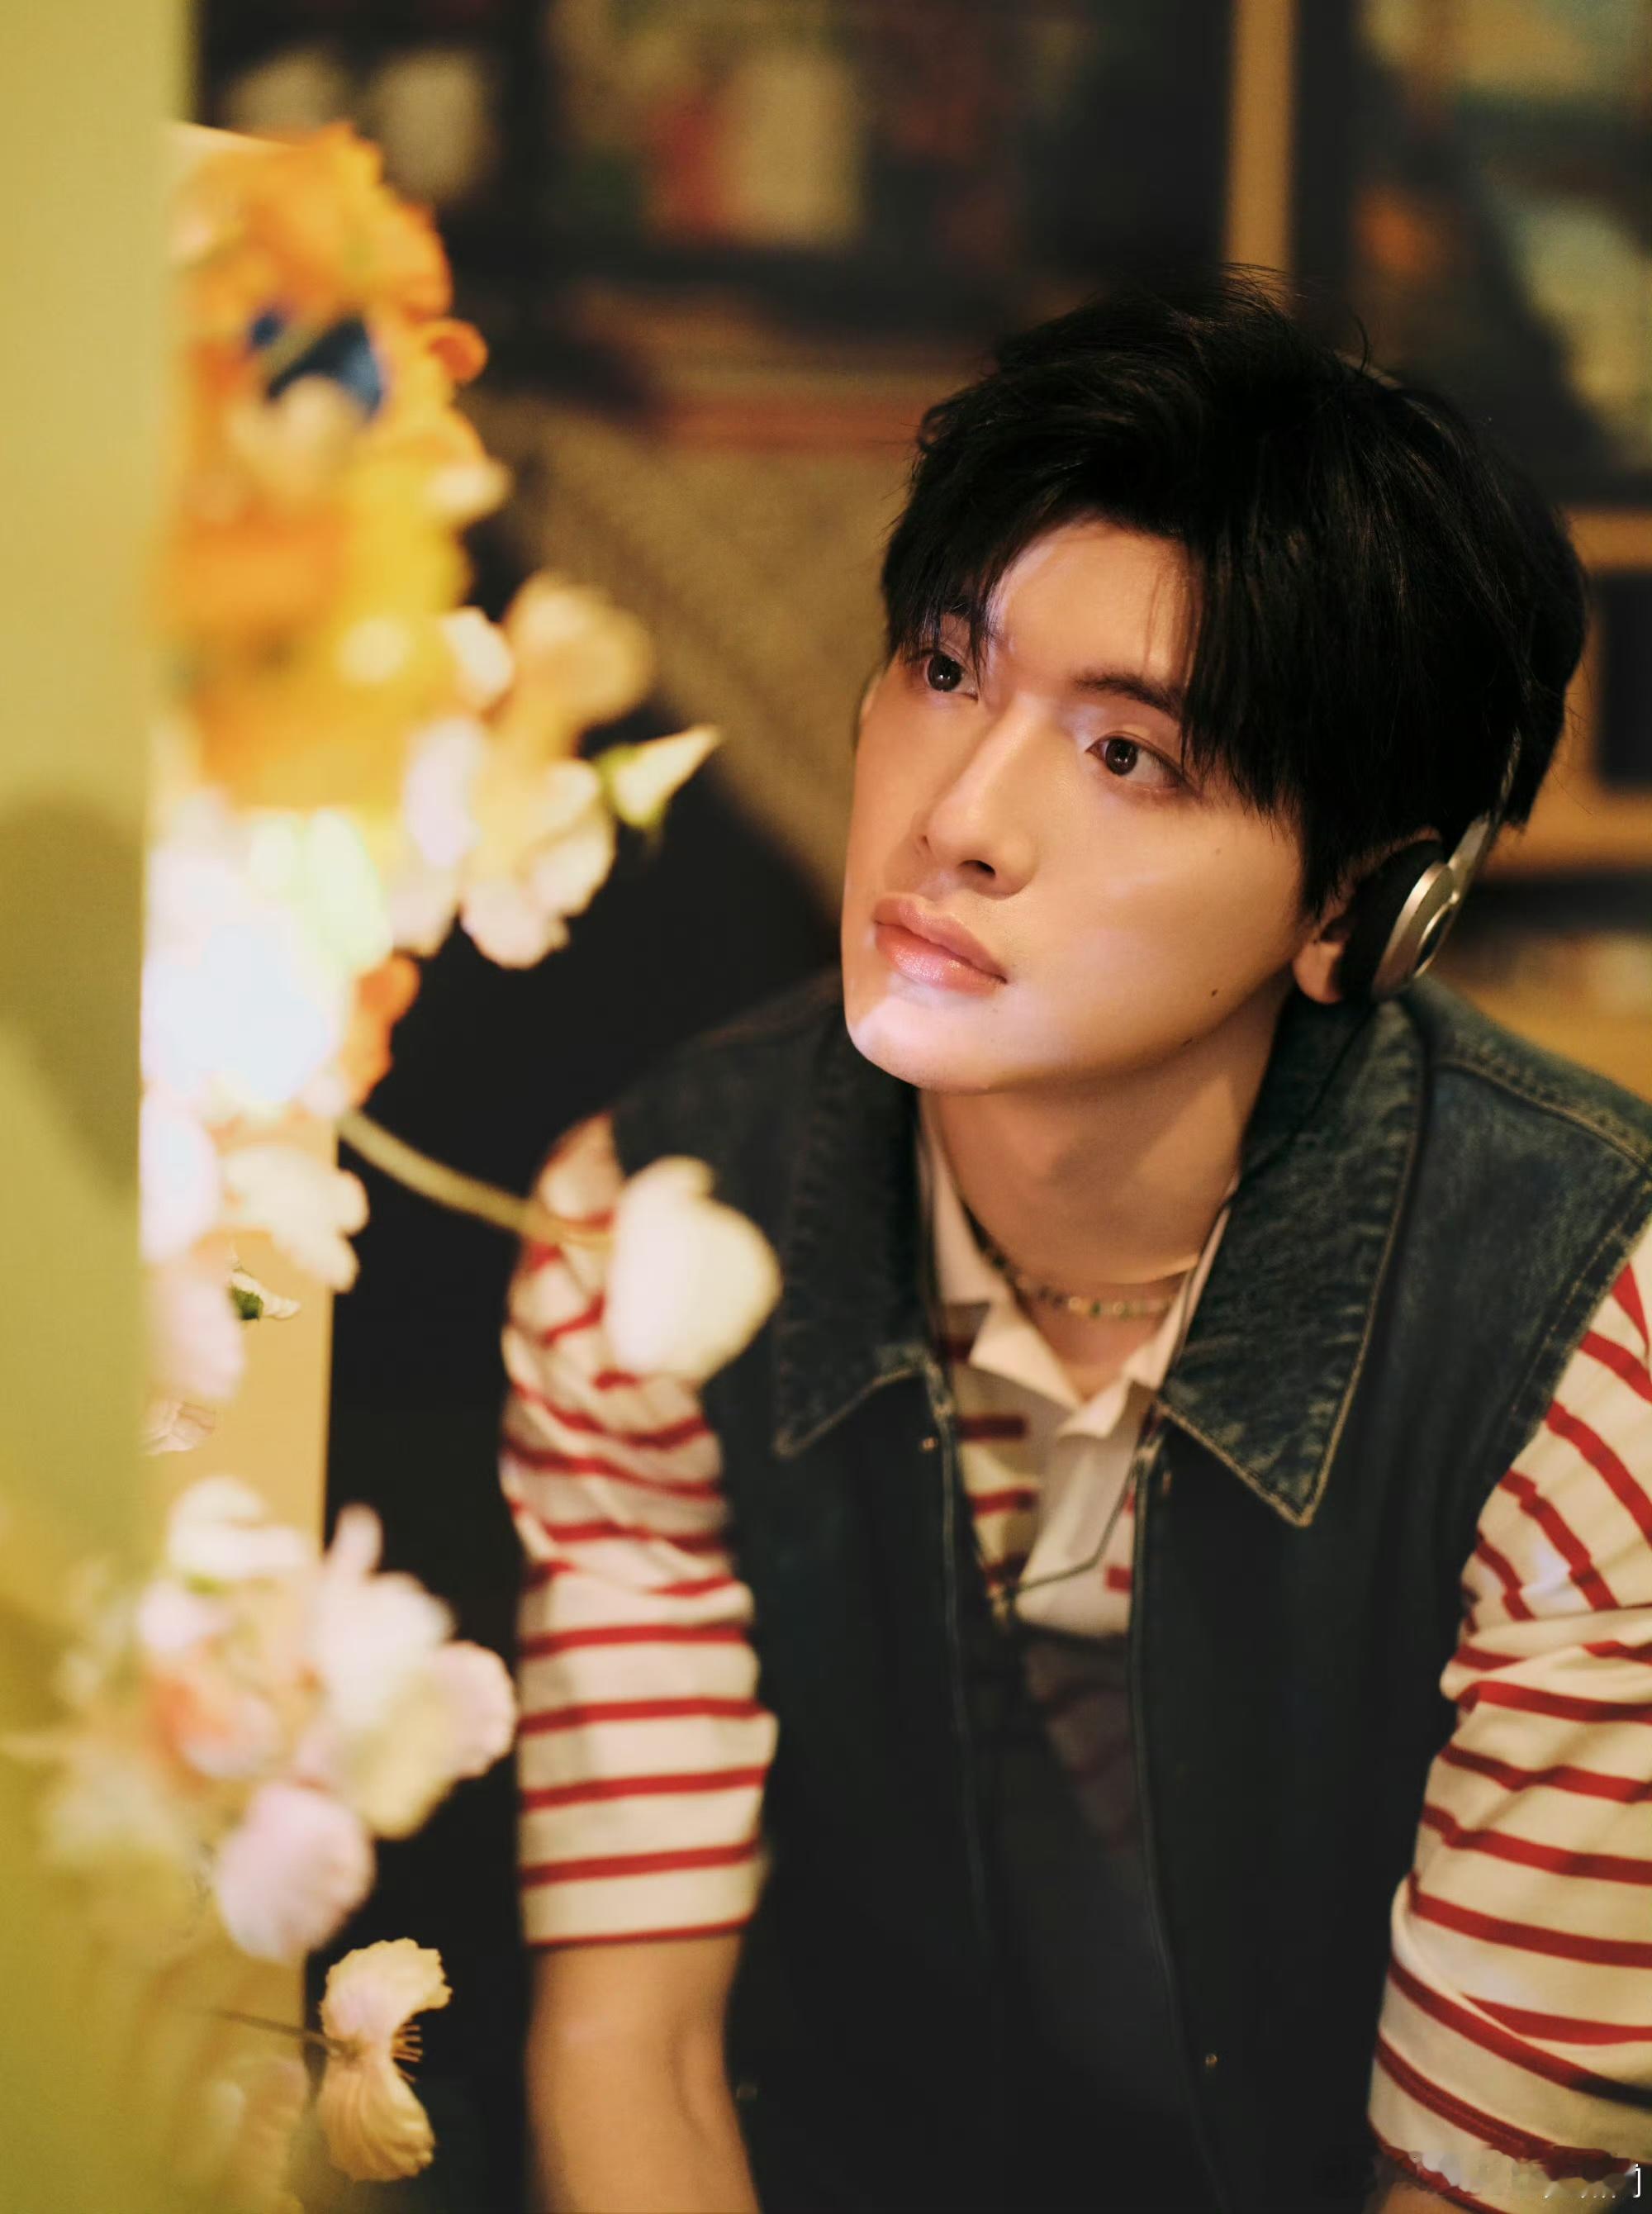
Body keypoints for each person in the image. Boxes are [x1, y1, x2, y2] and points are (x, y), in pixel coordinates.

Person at [500, 275, 1652, 2214]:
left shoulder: (1583, 1340)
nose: (957, 817)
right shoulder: (653, 1222)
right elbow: (634, 2041)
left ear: (1360, 909)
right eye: (946, 667)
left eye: (1126, 755)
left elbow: (1476, 2182)